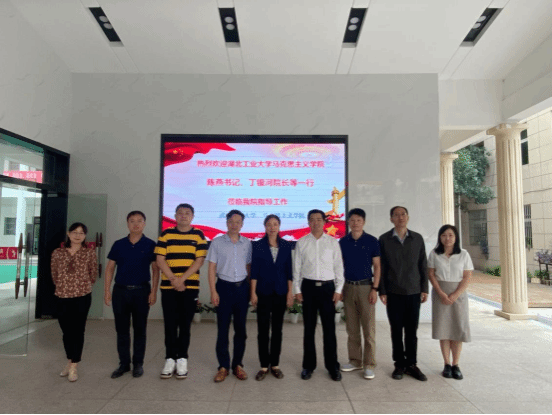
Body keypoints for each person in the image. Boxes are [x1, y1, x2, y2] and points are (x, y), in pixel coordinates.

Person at [155, 204, 208, 380]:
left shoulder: (198, 235)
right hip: (168, 287)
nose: (183, 216)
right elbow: (160, 259)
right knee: (170, 324)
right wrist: (174, 280)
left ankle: (182, 359)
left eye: (187, 213)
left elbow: (199, 261)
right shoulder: (166, 234)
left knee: (185, 325)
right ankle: (170, 359)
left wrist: (182, 279)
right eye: (180, 213)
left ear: (192, 216)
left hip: (189, 287)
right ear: (175, 215)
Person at [104, 211, 160, 379]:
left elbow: (155, 270)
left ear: (144, 223)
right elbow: (110, 268)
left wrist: (154, 291)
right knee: (122, 330)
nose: (136, 224)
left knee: (140, 329)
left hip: (142, 291)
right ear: (127, 224)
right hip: (120, 291)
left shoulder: (150, 244)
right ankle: (124, 364)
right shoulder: (119, 244)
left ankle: (138, 364)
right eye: (132, 221)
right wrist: (107, 290)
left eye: (139, 221)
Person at [379, 207, 429, 382]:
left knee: (411, 331)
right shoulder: (384, 239)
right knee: (396, 330)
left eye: (403, 214)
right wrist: (382, 290)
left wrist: (424, 288)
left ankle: (412, 364)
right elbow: (381, 267)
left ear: (408, 217)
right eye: (396, 215)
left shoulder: (417, 238)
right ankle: (399, 364)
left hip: (414, 291)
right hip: (393, 292)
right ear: (391, 219)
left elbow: (423, 264)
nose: (400, 217)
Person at [294, 209, 345, 382]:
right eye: (312, 219)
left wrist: (338, 289)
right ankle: (308, 366)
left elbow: (339, 267)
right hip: (308, 287)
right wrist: (297, 289)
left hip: (328, 289)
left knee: (329, 329)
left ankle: (332, 366)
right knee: (309, 329)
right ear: (308, 222)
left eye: (318, 219)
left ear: (324, 222)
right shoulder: (301, 242)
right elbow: (296, 268)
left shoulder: (332, 242)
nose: (315, 222)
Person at [208, 210, 253, 383]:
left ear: (242, 224)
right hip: (223, 288)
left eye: (238, 222)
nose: (234, 225)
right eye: (231, 221)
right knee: (223, 330)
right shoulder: (217, 242)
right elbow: (211, 268)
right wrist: (213, 291)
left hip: (242, 289)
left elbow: (249, 268)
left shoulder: (247, 243)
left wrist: (251, 291)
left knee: (241, 330)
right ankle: (223, 366)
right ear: (226, 223)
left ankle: (237, 365)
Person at [51, 222, 97, 383]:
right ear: (68, 234)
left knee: (78, 331)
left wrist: (80, 285)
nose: (78, 235)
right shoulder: (57, 253)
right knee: (66, 331)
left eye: (81, 233)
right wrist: (65, 286)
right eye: (75, 232)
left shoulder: (89, 253)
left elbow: (93, 274)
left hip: (82, 297)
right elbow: (54, 274)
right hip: (62, 296)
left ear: (85, 236)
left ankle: (74, 366)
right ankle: (70, 360)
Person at [251, 215, 294, 381]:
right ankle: (263, 365)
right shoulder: (257, 245)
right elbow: (254, 271)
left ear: (279, 226)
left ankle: (275, 364)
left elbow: (289, 271)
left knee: (277, 330)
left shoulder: (286, 245)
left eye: (275, 224)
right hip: (262, 293)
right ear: (265, 227)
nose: (272, 227)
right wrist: (253, 292)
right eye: (269, 224)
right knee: (262, 330)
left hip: (281, 293)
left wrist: (290, 292)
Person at [339, 208, 381, 380]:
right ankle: (355, 361)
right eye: (352, 220)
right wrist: (340, 288)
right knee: (352, 329)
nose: (355, 223)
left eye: (358, 220)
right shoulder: (343, 241)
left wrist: (375, 289)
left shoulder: (372, 241)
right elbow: (340, 266)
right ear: (348, 222)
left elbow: (377, 266)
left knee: (369, 329)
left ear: (363, 222)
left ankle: (369, 364)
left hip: (366, 287)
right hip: (348, 287)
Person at [428, 225, 473, 381]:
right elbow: (431, 274)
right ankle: (446, 364)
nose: (447, 238)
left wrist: (455, 295)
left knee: (457, 329)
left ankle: (456, 364)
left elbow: (467, 276)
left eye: (450, 235)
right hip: (440, 294)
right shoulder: (434, 254)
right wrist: (441, 293)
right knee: (444, 329)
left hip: (458, 295)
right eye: (444, 235)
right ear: (440, 237)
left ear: (456, 237)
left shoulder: (464, 254)